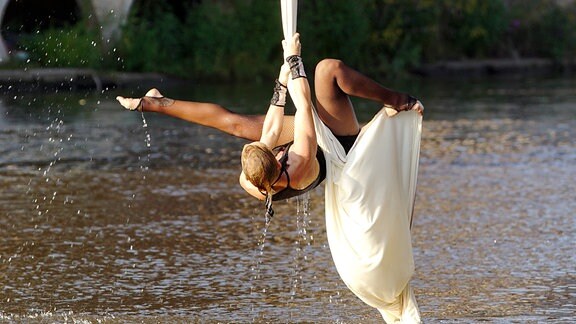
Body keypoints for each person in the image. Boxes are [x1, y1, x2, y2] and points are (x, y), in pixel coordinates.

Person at [117, 33, 423, 323]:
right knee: (327, 71)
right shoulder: (300, 159)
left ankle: (155, 103)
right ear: (276, 159)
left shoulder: (251, 181)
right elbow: (303, 103)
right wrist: (293, 61)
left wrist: (280, 81)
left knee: (238, 124)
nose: (265, 143)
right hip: (338, 150)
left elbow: (271, 126)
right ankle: (396, 99)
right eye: (265, 146)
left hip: (305, 151)